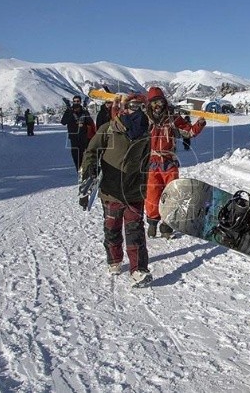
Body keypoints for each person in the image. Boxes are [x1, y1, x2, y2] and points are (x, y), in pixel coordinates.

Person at [80, 93, 153, 287]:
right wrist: (89, 174)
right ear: (123, 108)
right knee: (112, 229)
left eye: (140, 107)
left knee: (135, 230)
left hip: (134, 191)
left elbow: (147, 161)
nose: (136, 111)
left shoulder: (146, 134)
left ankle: (138, 269)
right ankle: (114, 259)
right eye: (132, 107)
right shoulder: (109, 130)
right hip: (111, 191)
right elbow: (91, 152)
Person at [144, 86, 206, 238]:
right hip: (151, 162)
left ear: (164, 102)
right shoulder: (144, 119)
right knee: (152, 194)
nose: (157, 105)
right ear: (149, 104)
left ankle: (167, 225)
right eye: (153, 103)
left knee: (172, 193)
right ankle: (152, 223)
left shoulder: (173, 117)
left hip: (169, 161)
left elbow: (189, 132)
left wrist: (199, 124)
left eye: (159, 101)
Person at [60, 95, 95, 174]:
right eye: (74, 101)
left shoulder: (83, 111)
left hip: (83, 136)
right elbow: (63, 122)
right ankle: (78, 169)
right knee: (75, 154)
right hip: (73, 136)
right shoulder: (69, 111)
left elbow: (90, 121)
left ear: (80, 102)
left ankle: (84, 168)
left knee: (84, 153)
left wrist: (85, 114)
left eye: (78, 101)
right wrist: (71, 115)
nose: (76, 103)